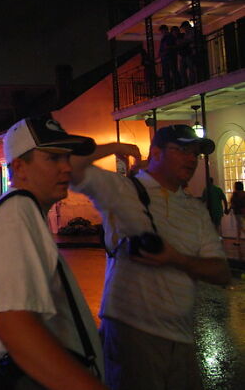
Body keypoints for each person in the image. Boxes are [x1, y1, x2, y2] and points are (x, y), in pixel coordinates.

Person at [70, 125, 230, 390]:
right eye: (182, 150)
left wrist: (176, 259)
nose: (191, 159)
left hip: (183, 338)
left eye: (195, 153)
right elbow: (70, 166)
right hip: (132, 332)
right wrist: (116, 147)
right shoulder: (123, 189)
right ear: (155, 153)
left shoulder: (195, 210)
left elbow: (222, 272)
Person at [0, 116, 104, 389]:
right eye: (53, 158)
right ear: (20, 167)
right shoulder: (17, 212)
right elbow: (15, 327)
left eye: (66, 157)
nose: (66, 167)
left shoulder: (24, 210)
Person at [159, 24, 178, 90]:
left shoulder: (170, 37)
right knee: (167, 73)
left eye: (162, 31)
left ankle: (174, 85)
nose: (162, 32)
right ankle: (169, 86)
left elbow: (172, 46)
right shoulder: (164, 38)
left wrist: (166, 49)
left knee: (173, 71)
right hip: (166, 58)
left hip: (170, 57)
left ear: (165, 30)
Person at [228, 181, 245, 245]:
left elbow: (232, 204)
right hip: (244, 211)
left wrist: (228, 210)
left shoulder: (235, 194)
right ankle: (237, 241)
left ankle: (237, 241)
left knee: (239, 226)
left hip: (238, 212)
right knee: (240, 226)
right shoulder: (244, 193)